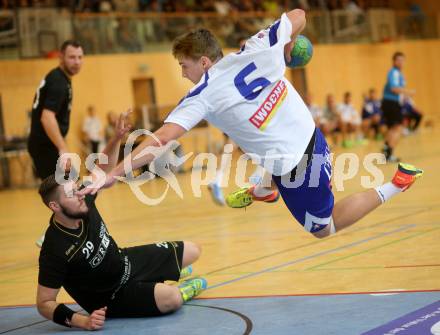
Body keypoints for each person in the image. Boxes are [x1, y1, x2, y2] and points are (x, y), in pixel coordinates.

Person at [80, 9, 423, 240]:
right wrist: (287, 45)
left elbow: (161, 138)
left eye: (184, 66)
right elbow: (300, 15)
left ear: (203, 61)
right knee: (252, 137)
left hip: (296, 164)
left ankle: (397, 183)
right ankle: (264, 188)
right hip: (310, 134)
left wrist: (113, 173)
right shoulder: (257, 46)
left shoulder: (201, 95)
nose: (183, 74)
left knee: (323, 228)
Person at [36, 112, 206, 331]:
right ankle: (181, 288)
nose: (79, 194)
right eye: (71, 194)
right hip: (111, 296)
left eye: (76, 189)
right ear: (55, 207)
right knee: (171, 298)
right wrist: (82, 321)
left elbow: (101, 170)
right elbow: (44, 303)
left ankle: (162, 275)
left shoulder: (82, 199)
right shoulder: (55, 248)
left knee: (194, 250)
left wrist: (116, 138)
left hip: (124, 261)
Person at [27, 40, 84, 248]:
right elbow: (47, 117)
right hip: (45, 147)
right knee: (70, 190)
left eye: (79, 57)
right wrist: (62, 148)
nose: (76, 62)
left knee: (69, 189)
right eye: (71, 57)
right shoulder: (59, 82)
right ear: (61, 57)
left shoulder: (61, 78)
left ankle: (59, 235)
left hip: (44, 145)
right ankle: (56, 236)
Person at [381, 51, 414, 162]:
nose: (401, 62)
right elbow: (394, 88)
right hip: (391, 103)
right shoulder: (394, 72)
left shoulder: (399, 74)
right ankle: (389, 154)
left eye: (402, 60)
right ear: (394, 61)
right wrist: (408, 92)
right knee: (398, 128)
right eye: (398, 60)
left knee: (392, 128)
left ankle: (386, 151)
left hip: (392, 103)